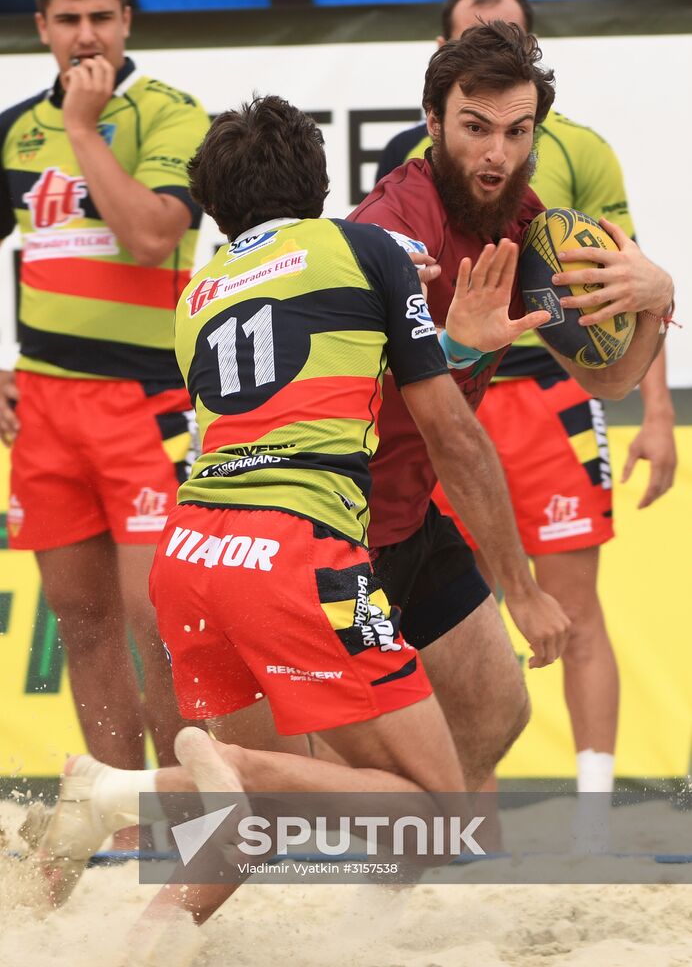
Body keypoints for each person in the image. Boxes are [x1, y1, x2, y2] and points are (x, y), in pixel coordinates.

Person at [35, 94, 571, 923]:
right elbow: (448, 433)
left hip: (193, 555)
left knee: (252, 826)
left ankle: (148, 924)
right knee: (435, 817)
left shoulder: (198, 292)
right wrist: (523, 586)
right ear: (321, 182)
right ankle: (127, 792)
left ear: (212, 204)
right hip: (294, 553)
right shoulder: (368, 248)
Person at [347, 20, 675, 794]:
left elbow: (609, 382)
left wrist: (657, 300)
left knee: (494, 713)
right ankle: (131, 797)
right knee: (350, 773)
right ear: (432, 121)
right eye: (476, 129)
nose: (498, 154)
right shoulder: (397, 228)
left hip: (405, 517)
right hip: (332, 523)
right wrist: (519, 590)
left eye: (518, 132)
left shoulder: (530, 228)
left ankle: (380, 895)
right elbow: (414, 417)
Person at [0, 0, 209, 774]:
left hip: (145, 402)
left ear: (127, 21)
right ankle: (127, 836)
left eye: (99, 16)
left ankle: (193, 824)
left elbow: (154, 236)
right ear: (42, 25)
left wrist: (84, 131)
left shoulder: (172, 115)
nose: (85, 34)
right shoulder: (15, 132)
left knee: (155, 619)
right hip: (46, 408)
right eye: (67, 18)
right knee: (81, 622)